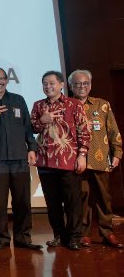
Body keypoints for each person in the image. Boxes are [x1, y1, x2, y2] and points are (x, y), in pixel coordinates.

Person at [0, 67, 43, 251]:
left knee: (22, 201)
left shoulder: (18, 100)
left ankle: (23, 237)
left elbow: (28, 127)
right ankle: (2, 238)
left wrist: (32, 148)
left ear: (7, 80)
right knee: (0, 202)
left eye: (1, 78)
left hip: (20, 157)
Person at [31, 70, 91, 250]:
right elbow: (32, 127)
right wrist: (43, 120)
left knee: (73, 201)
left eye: (51, 83)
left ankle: (74, 237)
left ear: (61, 85)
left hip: (68, 160)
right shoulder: (38, 105)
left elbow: (84, 132)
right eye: (44, 84)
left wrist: (82, 155)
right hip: (45, 161)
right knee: (53, 202)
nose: (48, 87)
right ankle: (59, 234)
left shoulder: (73, 104)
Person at [68, 69, 123, 248]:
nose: (81, 87)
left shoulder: (102, 105)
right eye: (77, 84)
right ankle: (84, 234)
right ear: (70, 86)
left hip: (100, 159)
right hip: (76, 161)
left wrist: (117, 153)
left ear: (90, 85)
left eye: (85, 83)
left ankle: (107, 232)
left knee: (103, 198)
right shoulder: (67, 106)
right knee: (82, 197)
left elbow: (113, 131)